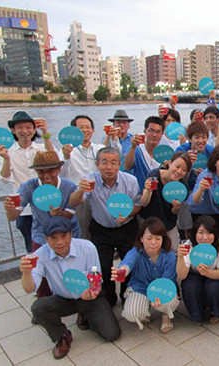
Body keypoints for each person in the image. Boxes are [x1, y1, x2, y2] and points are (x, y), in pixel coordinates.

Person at [19, 216, 120, 359]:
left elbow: (96, 276)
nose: (59, 242)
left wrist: (92, 291)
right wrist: (26, 272)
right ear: (46, 239)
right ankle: (62, 336)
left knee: (112, 334)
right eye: (53, 237)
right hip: (63, 299)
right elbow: (30, 288)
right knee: (38, 308)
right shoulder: (40, 255)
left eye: (64, 236)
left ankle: (86, 315)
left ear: (71, 234)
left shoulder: (87, 247)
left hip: (89, 297)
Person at [69, 147, 142, 307]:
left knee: (129, 264)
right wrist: (80, 189)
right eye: (104, 162)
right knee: (103, 266)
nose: (109, 167)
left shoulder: (130, 181)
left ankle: (127, 296)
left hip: (127, 229)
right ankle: (108, 299)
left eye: (113, 163)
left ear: (119, 164)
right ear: (97, 164)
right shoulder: (90, 181)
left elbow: (138, 206)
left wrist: (129, 212)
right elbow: (74, 202)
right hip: (101, 229)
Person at [0, 111, 56, 252]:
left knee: (53, 243)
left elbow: (54, 159)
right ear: (13, 130)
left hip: (46, 204)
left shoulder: (41, 148)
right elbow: (5, 178)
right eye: (20, 127)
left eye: (29, 127)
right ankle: (37, 273)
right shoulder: (6, 152)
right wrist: (6, 159)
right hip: (24, 209)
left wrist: (46, 133)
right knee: (33, 248)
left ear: (34, 130)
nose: (25, 131)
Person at [112, 217, 179, 334]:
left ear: (163, 239)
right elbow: (127, 263)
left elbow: (168, 281)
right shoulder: (135, 252)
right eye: (149, 238)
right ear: (141, 238)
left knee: (169, 300)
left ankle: (165, 315)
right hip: (141, 287)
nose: (153, 243)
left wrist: (157, 295)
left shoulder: (170, 256)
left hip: (161, 288)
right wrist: (121, 271)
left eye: (157, 238)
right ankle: (145, 310)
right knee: (132, 313)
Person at [4, 151, 80, 253]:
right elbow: (13, 216)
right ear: (36, 171)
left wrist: (60, 214)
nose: (46, 176)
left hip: (69, 237)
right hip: (42, 237)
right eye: (41, 172)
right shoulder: (28, 187)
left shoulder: (70, 186)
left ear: (58, 169)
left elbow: (70, 213)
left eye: (50, 171)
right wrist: (10, 209)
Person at [176, 215, 219, 325]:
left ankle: (216, 312)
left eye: (209, 233)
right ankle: (197, 315)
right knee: (190, 285)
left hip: (214, 276)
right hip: (194, 275)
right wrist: (180, 257)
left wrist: (207, 272)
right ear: (194, 233)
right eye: (201, 232)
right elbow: (182, 276)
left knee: (213, 287)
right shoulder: (188, 246)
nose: (205, 237)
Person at [60, 115, 105, 239]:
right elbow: (62, 174)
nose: (85, 130)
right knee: (82, 234)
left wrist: (113, 138)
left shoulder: (99, 148)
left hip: (99, 197)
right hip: (79, 199)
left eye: (88, 127)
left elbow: (113, 161)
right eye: (81, 128)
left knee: (101, 234)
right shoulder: (67, 150)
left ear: (93, 130)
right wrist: (66, 157)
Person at [139, 152, 192, 249]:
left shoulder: (182, 187)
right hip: (148, 220)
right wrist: (147, 190)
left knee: (173, 249)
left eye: (184, 170)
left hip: (168, 223)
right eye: (177, 166)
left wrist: (176, 208)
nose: (179, 171)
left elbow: (174, 211)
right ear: (170, 163)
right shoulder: (154, 176)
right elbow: (144, 203)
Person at [123, 116, 165, 190]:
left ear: (162, 134)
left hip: (158, 196)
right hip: (140, 195)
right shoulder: (136, 149)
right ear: (145, 131)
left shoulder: (164, 153)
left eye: (158, 132)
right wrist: (133, 147)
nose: (154, 135)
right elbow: (127, 167)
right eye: (151, 131)